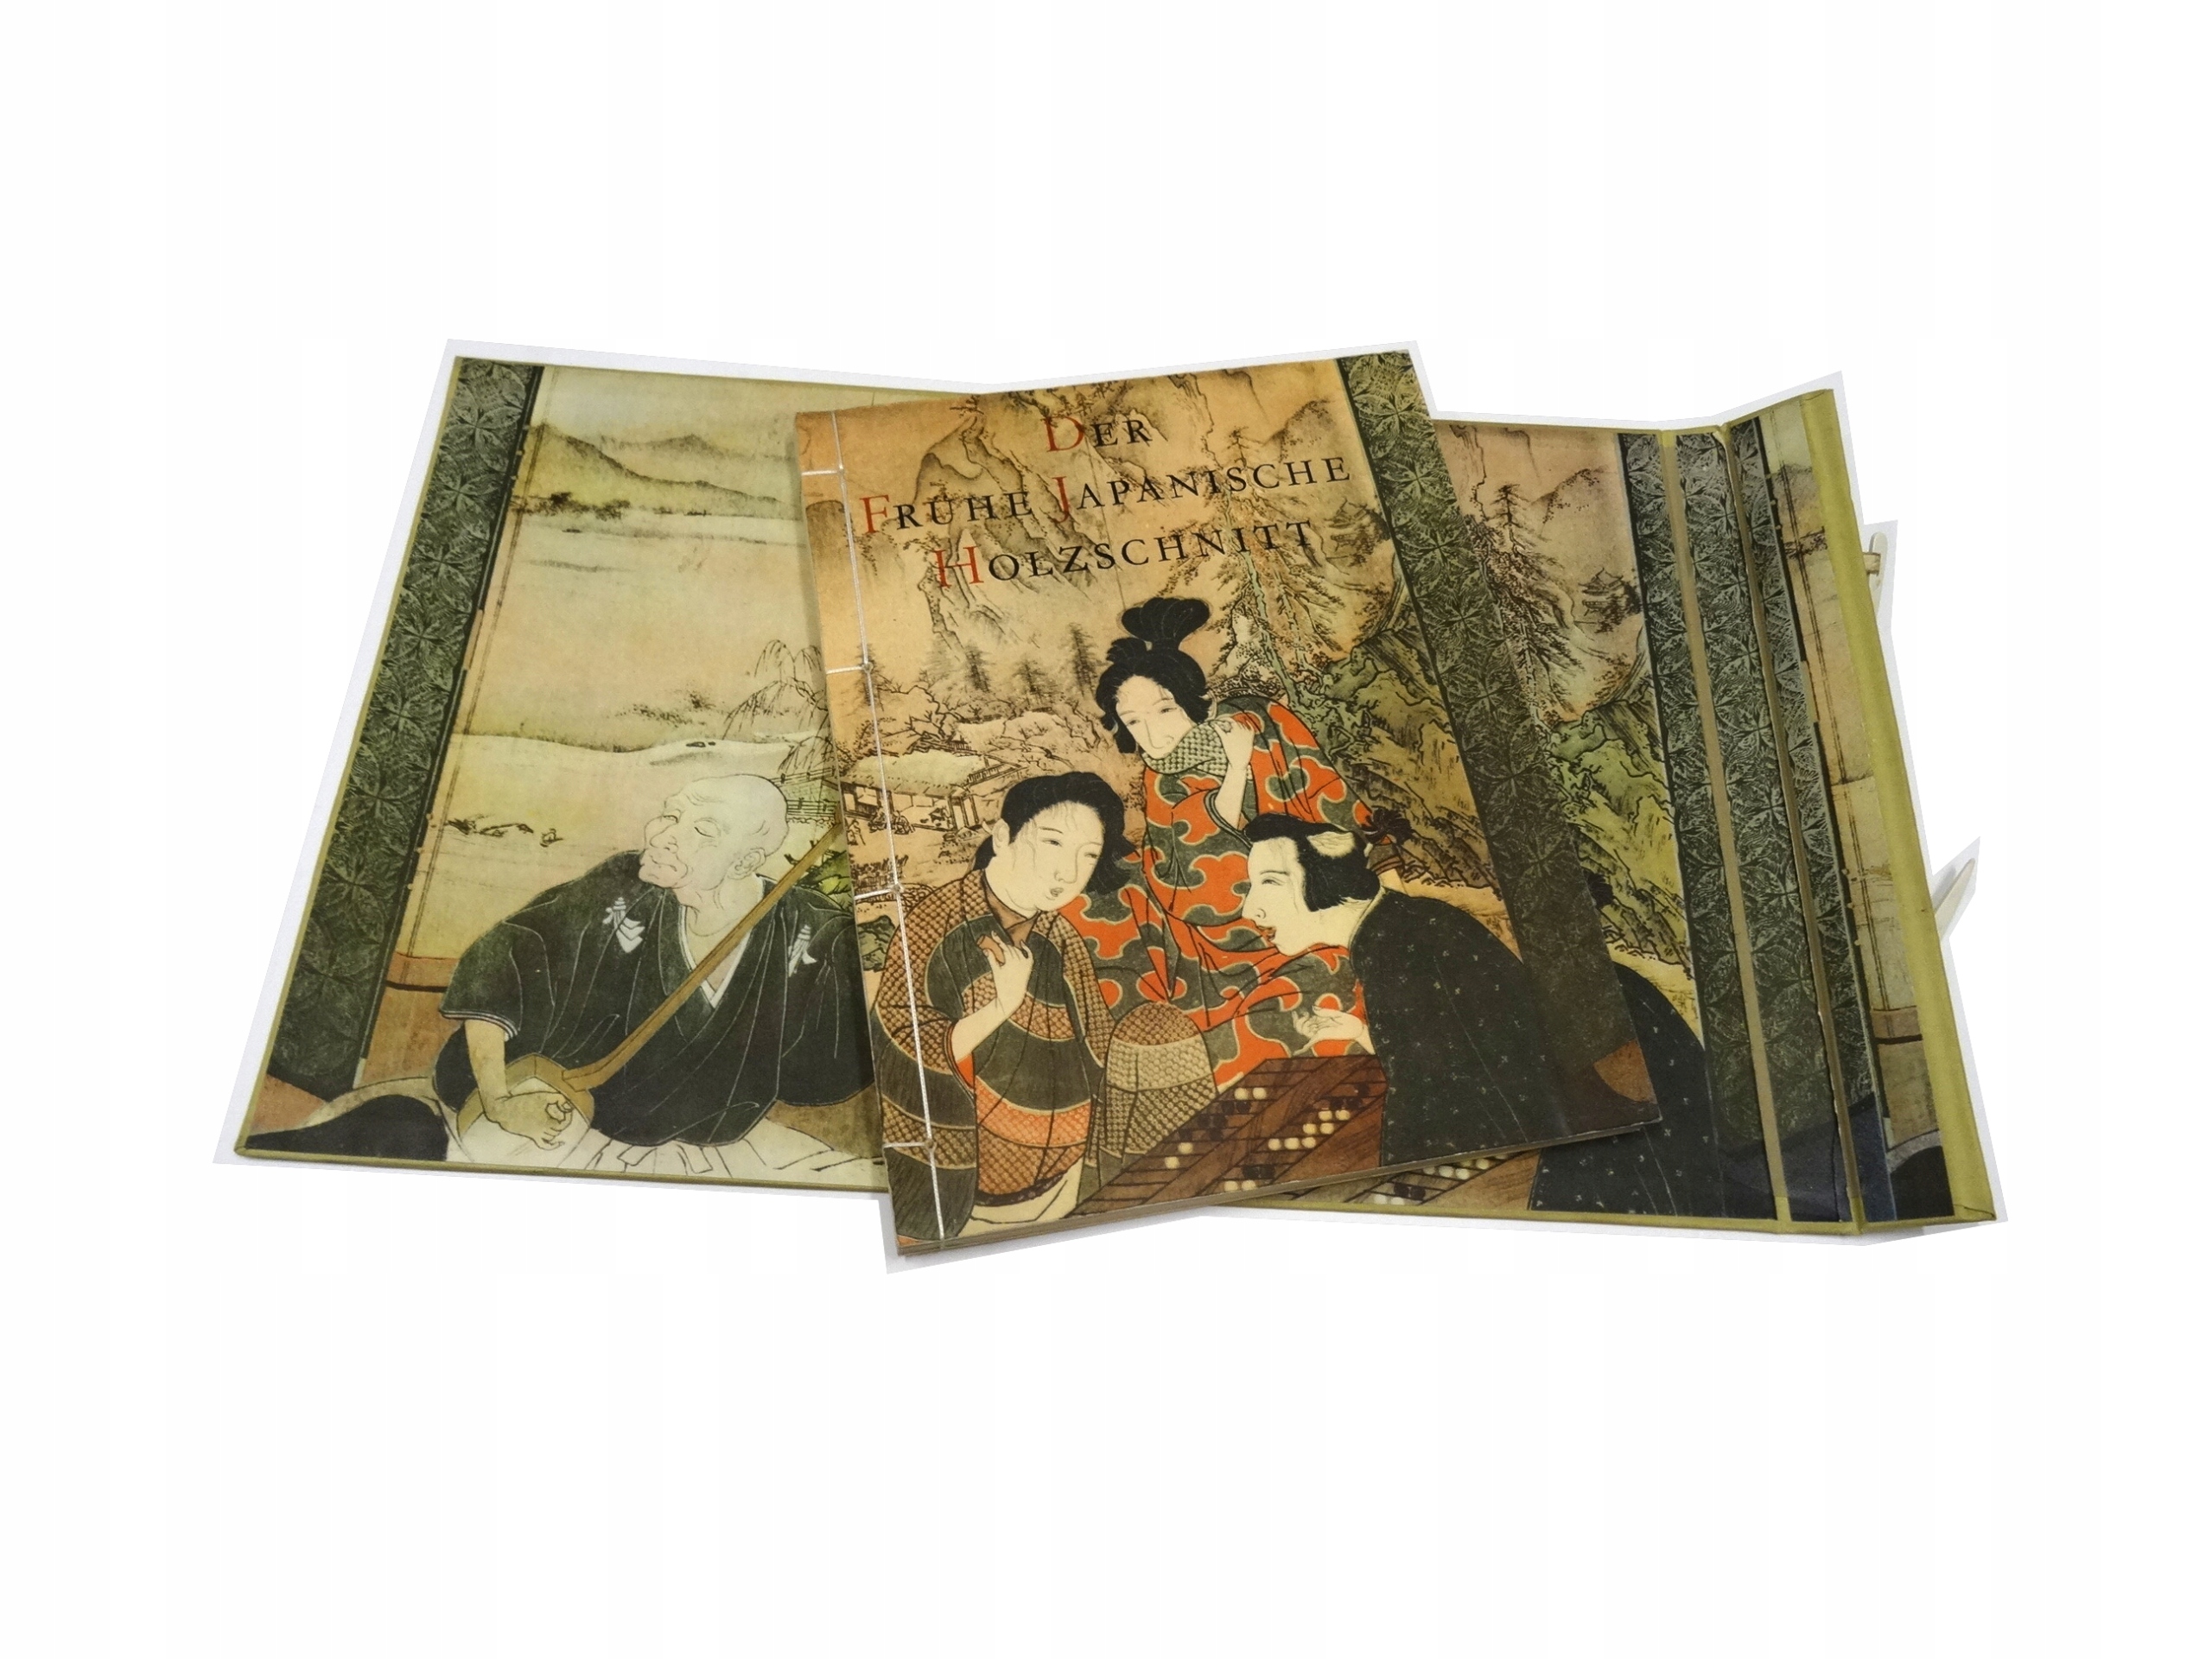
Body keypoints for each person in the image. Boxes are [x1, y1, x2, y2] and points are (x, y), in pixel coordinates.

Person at [248, 774, 873, 1181]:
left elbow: (822, 1076)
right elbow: (510, 960)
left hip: (688, 1147)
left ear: (749, 858)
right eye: (669, 815)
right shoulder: (622, 888)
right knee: (387, 1141)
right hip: (536, 1111)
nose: (663, 835)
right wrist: (499, 1098)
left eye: (700, 830)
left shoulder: (811, 931)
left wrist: (860, 975)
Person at [1068, 596, 1383, 1093]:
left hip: (1321, 903)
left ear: (1195, 700)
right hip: (1222, 939)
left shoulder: (1262, 720)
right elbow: (1196, 886)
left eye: (1165, 709)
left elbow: (1328, 795)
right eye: (1133, 721)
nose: (1154, 734)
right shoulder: (1162, 779)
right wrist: (1235, 771)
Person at [1238, 814, 1652, 1165]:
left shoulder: (1400, 946)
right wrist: (1360, 1031)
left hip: (1542, 1149)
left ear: (1324, 878)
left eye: (1270, 882)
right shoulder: (1397, 927)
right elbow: (1442, 1052)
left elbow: (1437, 1099)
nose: (1249, 908)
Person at [871, 772, 1134, 1244]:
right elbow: (900, 1044)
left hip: (1065, 1182)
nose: (1068, 872)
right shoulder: (935, 920)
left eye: (1088, 855)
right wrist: (1001, 1006)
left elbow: (1099, 1045)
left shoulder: (1060, 934)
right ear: (1003, 838)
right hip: (968, 1188)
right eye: (1052, 843)